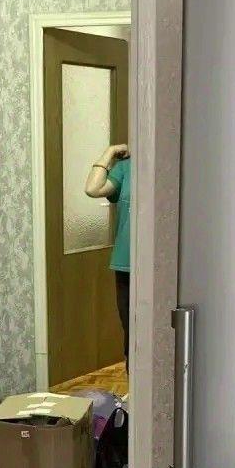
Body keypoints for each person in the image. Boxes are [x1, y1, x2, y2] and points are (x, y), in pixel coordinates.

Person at [85, 142, 131, 360]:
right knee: (131, 330)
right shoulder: (125, 168)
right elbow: (92, 189)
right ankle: (134, 378)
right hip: (127, 265)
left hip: (160, 264)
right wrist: (110, 152)